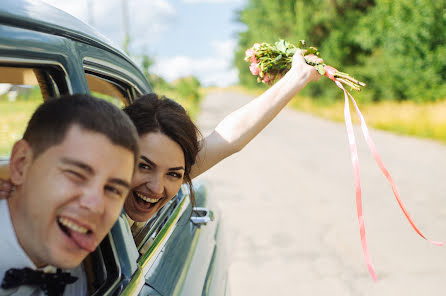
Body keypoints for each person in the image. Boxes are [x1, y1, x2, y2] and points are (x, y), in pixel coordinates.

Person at [0, 51, 321, 229]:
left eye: (174, 174)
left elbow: (231, 137)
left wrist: (297, 77)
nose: (157, 188)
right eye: (143, 165)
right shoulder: (68, 197)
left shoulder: (153, 184)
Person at [0, 94, 139, 296]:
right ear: (21, 164)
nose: (96, 205)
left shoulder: (92, 265)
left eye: (113, 190)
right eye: (76, 175)